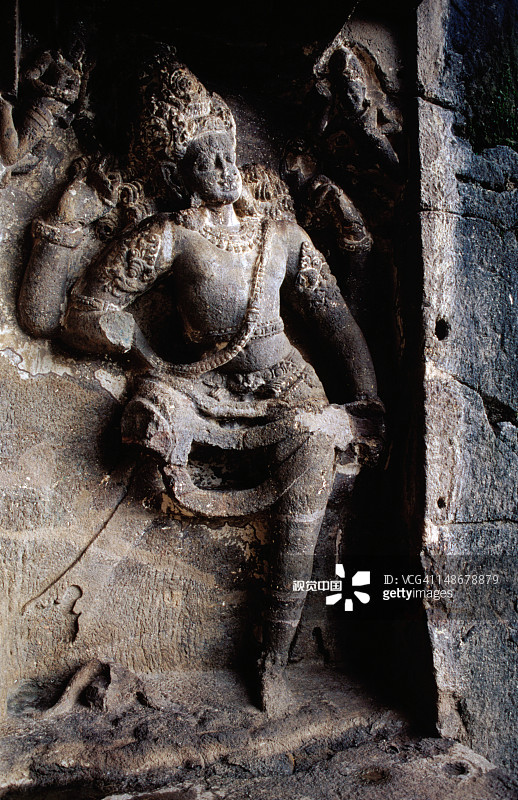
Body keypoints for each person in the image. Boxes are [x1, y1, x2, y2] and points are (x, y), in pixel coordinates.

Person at [19, 61, 383, 716]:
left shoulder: (282, 235)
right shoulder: (166, 238)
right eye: (203, 157)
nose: (222, 164)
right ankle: (143, 620)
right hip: (202, 388)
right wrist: (140, 350)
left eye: (225, 148)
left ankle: (273, 659)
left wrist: (364, 399)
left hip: (287, 389)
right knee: (152, 418)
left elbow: (336, 325)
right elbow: (80, 311)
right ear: (174, 174)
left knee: (309, 454)